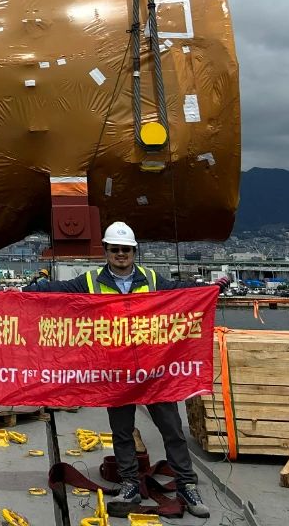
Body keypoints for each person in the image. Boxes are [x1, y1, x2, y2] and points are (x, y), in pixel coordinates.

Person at [24, 221, 225, 519]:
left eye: (126, 250)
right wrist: (36, 290)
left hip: (154, 370)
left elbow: (180, 292)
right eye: (115, 249)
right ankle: (130, 483)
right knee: (122, 431)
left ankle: (186, 484)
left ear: (134, 252)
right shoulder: (91, 281)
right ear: (106, 251)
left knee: (172, 428)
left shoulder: (151, 279)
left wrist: (210, 289)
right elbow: (62, 292)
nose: (121, 254)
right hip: (115, 372)